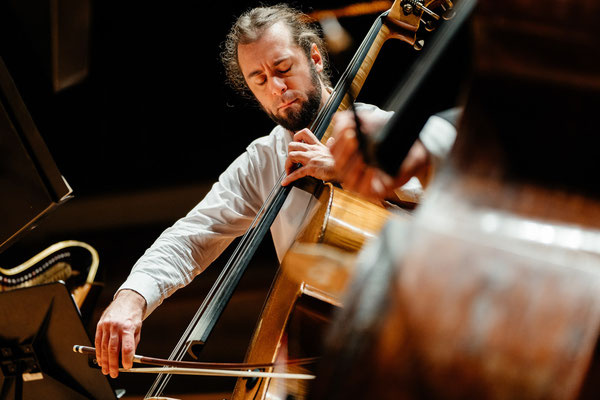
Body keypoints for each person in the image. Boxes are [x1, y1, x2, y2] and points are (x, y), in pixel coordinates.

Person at [94, 4, 456, 379]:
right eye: (260, 80)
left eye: (283, 69)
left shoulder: (382, 132)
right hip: (332, 359)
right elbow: (190, 238)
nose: (278, 89)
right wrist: (130, 299)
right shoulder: (263, 161)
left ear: (314, 57)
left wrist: (352, 171)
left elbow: (460, 200)